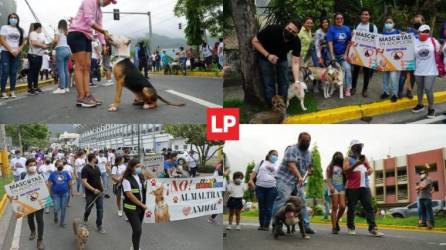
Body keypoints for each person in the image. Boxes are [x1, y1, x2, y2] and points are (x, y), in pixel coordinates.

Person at [67, 0, 115, 108]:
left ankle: (87, 95)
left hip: (87, 36)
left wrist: (103, 44)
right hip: (76, 33)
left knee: (87, 67)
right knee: (80, 66)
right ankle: (81, 97)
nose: (108, 3)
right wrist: (104, 32)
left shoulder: (99, 11)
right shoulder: (89, 1)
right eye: (109, 0)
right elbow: (89, 20)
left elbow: (99, 29)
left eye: (111, 2)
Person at [272, 132, 315, 235]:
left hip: (297, 182)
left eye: (308, 141)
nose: (307, 143)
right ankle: (276, 225)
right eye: (304, 141)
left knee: (302, 202)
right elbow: (291, 165)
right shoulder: (292, 149)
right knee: (282, 200)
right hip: (284, 179)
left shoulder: (309, 154)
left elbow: (309, 166)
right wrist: (300, 176)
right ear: (299, 140)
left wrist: (310, 170)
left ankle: (306, 226)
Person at [252, 19, 302, 106]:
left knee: (284, 83)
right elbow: (254, 41)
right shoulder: (272, 30)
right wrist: (268, 55)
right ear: (285, 26)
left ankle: (282, 106)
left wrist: (297, 81)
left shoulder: (296, 41)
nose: (290, 32)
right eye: (289, 29)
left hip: (282, 59)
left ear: (297, 34)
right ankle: (273, 107)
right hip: (265, 57)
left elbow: (295, 62)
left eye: (293, 32)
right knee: (269, 84)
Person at [343, 140, 383, 237]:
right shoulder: (347, 159)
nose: (359, 148)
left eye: (360, 146)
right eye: (357, 146)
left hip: (364, 186)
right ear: (352, 148)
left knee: (369, 207)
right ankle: (351, 228)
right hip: (352, 187)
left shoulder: (364, 158)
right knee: (352, 208)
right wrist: (356, 164)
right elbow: (345, 171)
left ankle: (373, 228)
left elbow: (370, 168)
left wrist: (370, 170)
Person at [411, 24, 439, 119]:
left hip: (431, 70)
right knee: (419, 89)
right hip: (418, 70)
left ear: (429, 32)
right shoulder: (414, 41)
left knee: (428, 89)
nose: (424, 33)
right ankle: (420, 104)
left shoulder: (433, 41)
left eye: (426, 31)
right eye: (422, 32)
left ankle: (431, 108)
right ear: (418, 33)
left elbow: (440, 52)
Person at [248, 150, 278, 231]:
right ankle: (261, 225)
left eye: (277, 155)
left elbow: (279, 177)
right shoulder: (261, 162)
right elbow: (254, 172)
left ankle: (266, 225)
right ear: (269, 155)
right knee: (262, 207)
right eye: (274, 154)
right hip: (260, 187)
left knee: (269, 207)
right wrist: (250, 180)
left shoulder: (277, 165)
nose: (275, 156)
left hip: (272, 188)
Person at [351, 8, 378, 97]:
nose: (364, 16)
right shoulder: (356, 26)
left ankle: (365, 90)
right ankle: (353, 88)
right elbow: (353, 39)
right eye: (363, 14)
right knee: (355, 72)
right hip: (357, 53)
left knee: (366, 73)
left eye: (366, 14)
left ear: (369, 16)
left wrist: (374, 54)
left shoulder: (372, 27)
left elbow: (376, 40)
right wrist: (352, 34)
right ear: (360, 16)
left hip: (368, 54)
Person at [121, 159, 147, 250]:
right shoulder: (126, 179)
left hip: (141, 208)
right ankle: (135, 248)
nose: (139, 168)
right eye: (137, 167)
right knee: (138, 230)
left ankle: (134, 245)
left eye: (140, 166)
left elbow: (152, 180)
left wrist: (145, 169)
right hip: (131, 208)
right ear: (131, 168)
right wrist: (141, 204)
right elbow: (129, 195)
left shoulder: (140, 176)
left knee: (137, 229)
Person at [399, 15, 425, 99]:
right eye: (415, 22)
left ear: (423, 22)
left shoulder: (425, 33)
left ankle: (409, 91)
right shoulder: (409, 30)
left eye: (418, 22)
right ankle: (399, 91)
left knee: (413, 77)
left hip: (417, 59)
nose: (416, 23)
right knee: (403, 76)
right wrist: (402, 35)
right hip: (406, 57)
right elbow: (401, 39)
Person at [0, 13, 25, 98]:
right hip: (6, 52)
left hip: (16, 54)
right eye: (11, 17)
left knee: (14, 72)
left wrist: (18, 50)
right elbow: (2, 40)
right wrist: (11, 50)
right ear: (9, 19)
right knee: (5, 71)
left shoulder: (20, 30)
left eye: (15, 17)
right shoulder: (4, 27)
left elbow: (23, 43)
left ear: (18, 20)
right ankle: (3, 91)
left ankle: (12, 91)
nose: (13, 19)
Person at [327, 12, 352, 96]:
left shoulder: (347, 29)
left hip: (343, 55)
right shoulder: (331, 29)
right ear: (335, 20)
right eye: (337, 18)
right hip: (333, 56)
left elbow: (349, 42)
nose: (339, 20)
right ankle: (333, 87)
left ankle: (348, 88)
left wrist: (346, 54)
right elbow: (330, 43)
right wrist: (332, 56)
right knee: (332, 72)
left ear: (343, 19)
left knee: (347, 69)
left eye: (341, 18)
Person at [23, 158, 46, 249]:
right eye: (30, 165)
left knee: (40, 220)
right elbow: (17, 190)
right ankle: (33, 231)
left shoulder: (40, 175)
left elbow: (44, 188)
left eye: (34, 165)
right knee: (30, 218)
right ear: (27, 167)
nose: (32, 167)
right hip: (28, 201)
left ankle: (40, 240)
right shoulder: (23, 175)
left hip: (39, 200)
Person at [81, 153, 106, 234]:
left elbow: (99, 178)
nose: (97, 159)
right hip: (90, 193)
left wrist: (102, 188)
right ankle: (85, 217)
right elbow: (84, 182)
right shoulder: (85, 169)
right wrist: (93, 189)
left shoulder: (97, 167)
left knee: (100, 209)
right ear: (92, 159)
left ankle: (99, 225)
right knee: (89, 208)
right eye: (96, 158)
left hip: (99, 192)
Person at [47, 160, 73, 228]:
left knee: (63, 208)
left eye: (62, 165)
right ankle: (55, 215)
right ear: (56, 166)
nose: (60, 166)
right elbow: (49, 183)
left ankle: (62, 222)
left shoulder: (66, 173)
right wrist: (48, 192)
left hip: (65, 193)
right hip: (55, 194)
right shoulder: (52, 174)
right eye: (59, 165)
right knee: (56, 208)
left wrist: (72, 191)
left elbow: (70, 182)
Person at [380, 17, 400, 103]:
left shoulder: (398, 32)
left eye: (390, 22)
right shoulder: (383, 34)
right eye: (387, 22)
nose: (388, 23)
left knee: (393, 78)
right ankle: (386, 92)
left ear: (394, 24)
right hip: (385, 59)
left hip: (396, 60)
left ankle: (395, 94)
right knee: (385, 77)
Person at [325, 151, 346, 234]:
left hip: (342, 188)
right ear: (334, 157)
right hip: (333, 188)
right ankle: (334, 227)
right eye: (336, 155)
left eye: (340, 154)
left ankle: (336, 221)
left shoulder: (343, 166)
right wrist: (331, 187)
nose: (338, 156)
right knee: (334, 207)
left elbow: (346, 178)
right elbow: (327, 178)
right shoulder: (330, 166)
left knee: (343, 207)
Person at [27, 23, 49, 95]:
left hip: (39, 55)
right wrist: (43, 46)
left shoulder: (39, 35)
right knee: (32, 72)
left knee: (36, 72)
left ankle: (36, 87)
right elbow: (34, 43)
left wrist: (46, 45)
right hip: (33, 55)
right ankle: (30, 88)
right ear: (38, 27)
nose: (41, 29)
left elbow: (41, 43)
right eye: (41, 28)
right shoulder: (33, 33)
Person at [52, 20, 72, 94]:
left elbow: (56, 40)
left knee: (61, 70)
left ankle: (62, 88)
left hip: (60, 49)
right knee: (66, 69)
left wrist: (52, 46)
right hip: (67, 50)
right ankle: (66, 87)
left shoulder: (58, 31)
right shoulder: (66, 32)